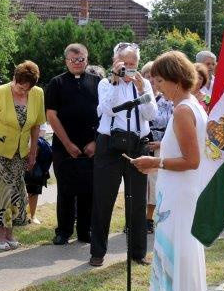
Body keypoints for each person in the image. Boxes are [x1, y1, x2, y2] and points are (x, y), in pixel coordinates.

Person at [130, 51, 207, 291]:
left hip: (179, 198)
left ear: (175, 78)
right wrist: (164, 146)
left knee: (177, 263)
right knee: (179, 262)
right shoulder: (190, 106)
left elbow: (192, 159)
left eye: (160, 80)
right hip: (176, 194)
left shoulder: (183, 111)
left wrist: (156, 161)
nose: (157, 86)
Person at [90, 42, 157, 267]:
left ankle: (138, 252)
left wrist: (141, 89)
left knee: (137, 200)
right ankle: (98, 251)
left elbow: (151, 113)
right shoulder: (105, 83)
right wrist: (116, 81)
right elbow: (107, 109)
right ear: (115, 63)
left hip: (137, 144)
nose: (129, 68)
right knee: (103, 198)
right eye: (125, 63)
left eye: (133, 64)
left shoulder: (144, 83)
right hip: (109, 144)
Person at [45, 43, 101, 245]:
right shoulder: (56, 83)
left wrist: (95, 142)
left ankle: (85, 230)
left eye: (81, 59)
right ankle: (64, 231)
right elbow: (51, 115)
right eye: (73, 60)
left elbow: (105, 114)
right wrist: (67, 143)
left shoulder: (98, 82)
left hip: (91, 146)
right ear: (66, 61)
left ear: (87, 59)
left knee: (89, 190)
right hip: (64, 147)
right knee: (66, 190)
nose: (77, 63)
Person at [0, 61, 45, 250]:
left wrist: (33, 151)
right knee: (3, 191)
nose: (22, 91)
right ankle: (0, 236)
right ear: (14, 79)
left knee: (17, 192)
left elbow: (36, 125)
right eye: (20, 87)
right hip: (0, 150)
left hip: (21, 152)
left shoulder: (38, 94)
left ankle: (11, 233)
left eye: (26, 89)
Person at [142, 61, 173, 234]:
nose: (152, 82)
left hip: (160, 145)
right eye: (148, 77)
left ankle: (148, 219)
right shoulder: (139, 98)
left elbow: (173, 125)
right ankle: (134, 218)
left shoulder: (168, 101)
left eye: (156, 78)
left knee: (154, 185)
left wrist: (162, 143)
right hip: (141, 145)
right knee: (139, 185)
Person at [24, 135, 52, 224]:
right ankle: (18, 215)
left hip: (33, 146)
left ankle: (32, 215)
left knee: (33, 187)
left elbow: (39, 131)